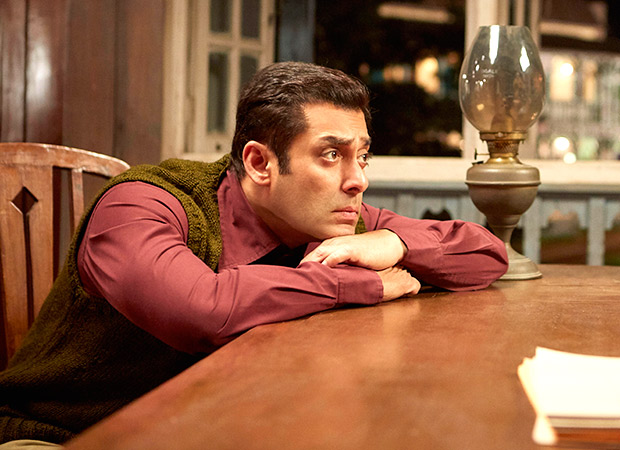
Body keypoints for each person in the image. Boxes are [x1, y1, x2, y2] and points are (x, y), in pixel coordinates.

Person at [0, 61, 508, 448]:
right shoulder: (141, 203)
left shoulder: (330, 219)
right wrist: (365, 283)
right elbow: (202, 310)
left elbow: (487, 254)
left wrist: (397, 243)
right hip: (58, 434)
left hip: (203, 427)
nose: (358, 180)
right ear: (260, 163)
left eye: (362, 156)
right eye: (331, 155)